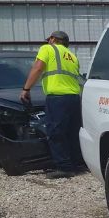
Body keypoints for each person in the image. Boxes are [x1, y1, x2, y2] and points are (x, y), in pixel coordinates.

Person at [20, 30, 84, 179]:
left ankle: (64, 167)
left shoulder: (47, 48)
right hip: (74, 97)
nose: (48, 41)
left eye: (49, 39)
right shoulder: (72, 56)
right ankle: (76, 164)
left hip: (57, 97)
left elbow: (38, 68)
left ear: (53, 39)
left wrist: (26, 89)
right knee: (72, 132)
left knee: (56, 133)